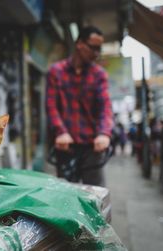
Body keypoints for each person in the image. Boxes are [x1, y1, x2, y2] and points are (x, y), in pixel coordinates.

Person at [46, 26, 114, 187]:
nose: (96, 53)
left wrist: (104, 133)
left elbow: (105, 106)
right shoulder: (56, 72)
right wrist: (60, 132)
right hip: (65, 147)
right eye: (93, 47)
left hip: (93, 147)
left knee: (95, 197)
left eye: (99, 48)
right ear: (80, 44)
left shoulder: (99, 75)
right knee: (67, 198)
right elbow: (51, 106)